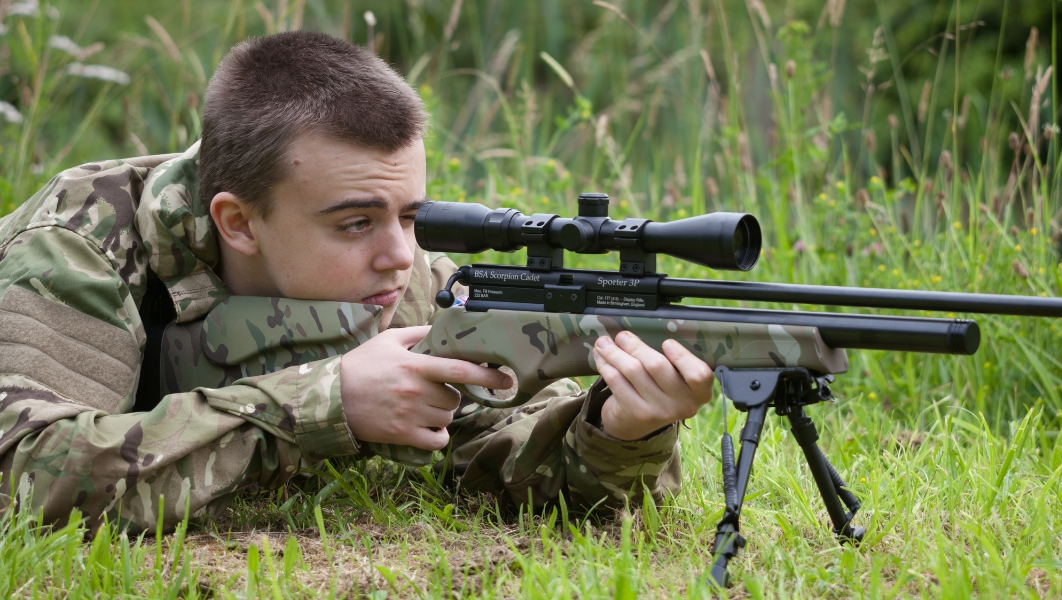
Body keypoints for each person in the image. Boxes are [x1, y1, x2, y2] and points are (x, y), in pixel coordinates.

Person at [0, 31, 713, 532]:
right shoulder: (78, 247)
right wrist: (322, 403)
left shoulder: (400, 278)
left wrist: (623, 428)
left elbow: (504, 460)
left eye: (412, 215)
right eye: (354, 223)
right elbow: (25, 478)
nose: (399, 256)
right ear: (239, 223)